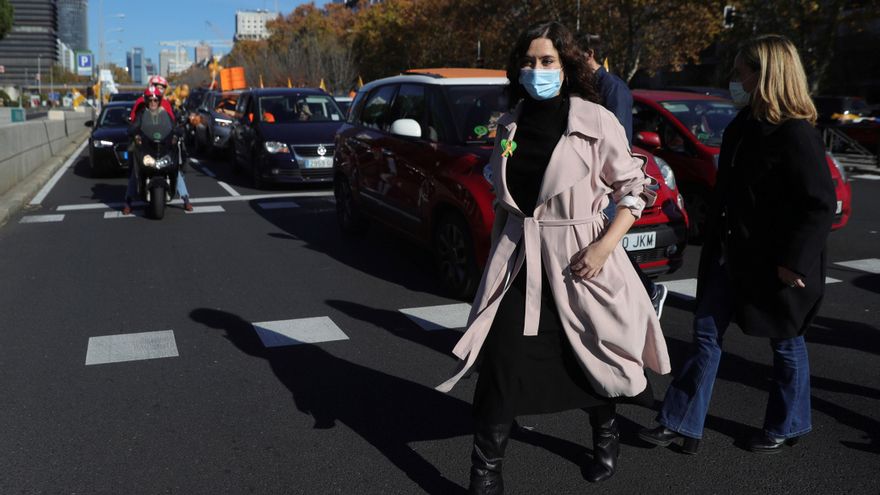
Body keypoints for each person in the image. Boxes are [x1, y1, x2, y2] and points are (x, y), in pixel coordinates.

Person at [435, 21, 671, 493]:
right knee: (500, 368)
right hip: (521, 264)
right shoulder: (509, 123)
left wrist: (605, 247)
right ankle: (485, 476)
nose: (536, 69)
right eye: (528, 61)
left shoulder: (595, 119)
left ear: (566, 67)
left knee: (589, 359)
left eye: (547, 61)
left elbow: (635, 188)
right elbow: (503, 190)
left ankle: (606, 433)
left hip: (579, 261)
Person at [638, 35, 836, 455]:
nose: (735, 78)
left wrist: (794, 264)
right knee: (705, 335)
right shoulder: (743, 125)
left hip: (777, 263)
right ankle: (680, 422)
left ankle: (788, 423)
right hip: (731, 255)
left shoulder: (796, 134)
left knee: (786, 341)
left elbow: (818, 205)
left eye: (741, 69)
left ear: (765, 75)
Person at [580, 33, 668, 317]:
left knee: (607, 245)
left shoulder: (613, 89)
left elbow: (617, 142)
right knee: (600, 246)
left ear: (588, 53)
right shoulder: (586, 87)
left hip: (604, 182)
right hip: (587, 180)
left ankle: (647, 292)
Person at [122, 86, 192, 214]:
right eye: (150, 100)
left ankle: (186, 198)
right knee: (135, 172)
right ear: (147, 101)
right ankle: (128, 201)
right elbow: (135, 126)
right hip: (147, 148)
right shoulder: (142, 114)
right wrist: (133, 131)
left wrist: (177, 132)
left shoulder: (164, 113)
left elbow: (173, 126)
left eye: (155, 100)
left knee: (175, 168)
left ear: (159, 101)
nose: (153, 103)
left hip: (163, 147)